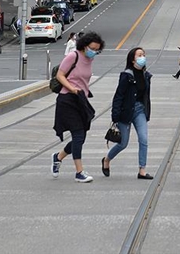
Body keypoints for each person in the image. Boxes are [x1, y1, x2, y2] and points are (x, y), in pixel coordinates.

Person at [50, 32, 104, 183]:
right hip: (67, 99)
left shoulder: (90, 59)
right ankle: (79, 172)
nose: (94, 52)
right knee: (78, 135)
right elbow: (60, 75)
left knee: (81, 137)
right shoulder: (73, 56)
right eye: (92, 48)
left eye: (97, 50)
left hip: (81, 100)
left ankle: (58, 157)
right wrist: (72, 88)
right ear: (84, 46)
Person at [103, 47, 153, 180]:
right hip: (125, 112)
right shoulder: (126, 76)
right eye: (139, 55)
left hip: (139, 110)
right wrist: (115, 115)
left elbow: (146, 96)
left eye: (143, 54)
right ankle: (107, 159)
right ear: (132, 59)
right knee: (123, 143)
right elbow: (118, 96)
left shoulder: (146, 75)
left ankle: (142, 170)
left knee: (144, 139)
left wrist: (147, 110)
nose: (142, 57)